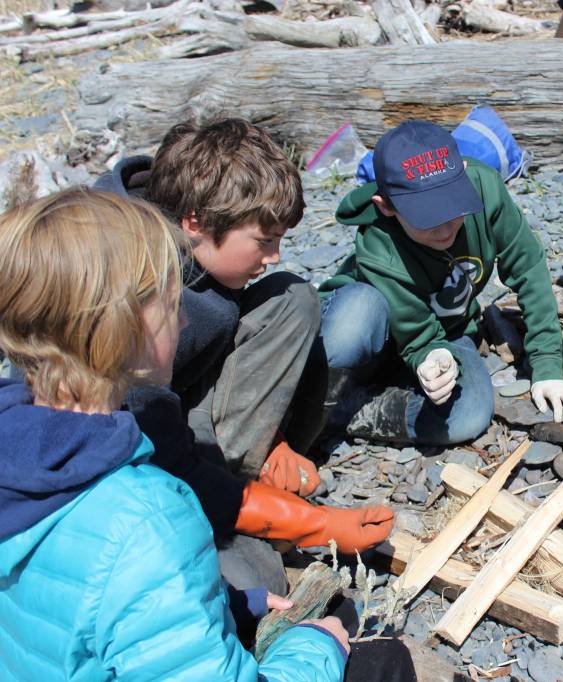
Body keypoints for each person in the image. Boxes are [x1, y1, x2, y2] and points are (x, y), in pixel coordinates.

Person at [0, 188, 349, 680]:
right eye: (171, 304)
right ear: (122, 327)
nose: (186, 318)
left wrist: (228, 601)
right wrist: (317, 650)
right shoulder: (151, 517)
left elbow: (79, 603)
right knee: (376, 656)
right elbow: (132, 564)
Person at [95, 119, 393, 595]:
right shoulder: (125, 302)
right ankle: (237, 499)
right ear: (195, 221)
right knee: (253, 577)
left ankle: (251, 476)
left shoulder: (188, 227)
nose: (274, 256)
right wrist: (308, 524)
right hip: (134, 454)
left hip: (180, 398)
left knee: (292, 296)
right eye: (263, 241)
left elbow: (212, 359)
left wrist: (274, 438)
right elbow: (159, 455)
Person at [318, 120, 563, 445]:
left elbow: (529, 269)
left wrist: (547, 366)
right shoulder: (378, 242)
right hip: (375, 332)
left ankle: (343, 409)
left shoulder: (485, 186)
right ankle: (315, 392)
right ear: (386, 207)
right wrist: (424, 352)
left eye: (454, 208)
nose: (445, 229)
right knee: (350, 326)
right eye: (427, 218)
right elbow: (415, 332)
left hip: (446, 330)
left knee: (469, 415)